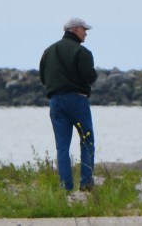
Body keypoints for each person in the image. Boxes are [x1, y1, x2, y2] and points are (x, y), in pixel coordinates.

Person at [39, 17, 98, 192]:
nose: (86, 33)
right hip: (77, 101)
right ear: (75, 30)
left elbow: (43, 78)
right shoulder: (82, 52)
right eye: (84, 30)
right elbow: (89, 77)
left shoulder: (48, 51)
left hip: (55, 102)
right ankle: (86, 182)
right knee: (87, 141)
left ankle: (66, 186)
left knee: (62, 146)